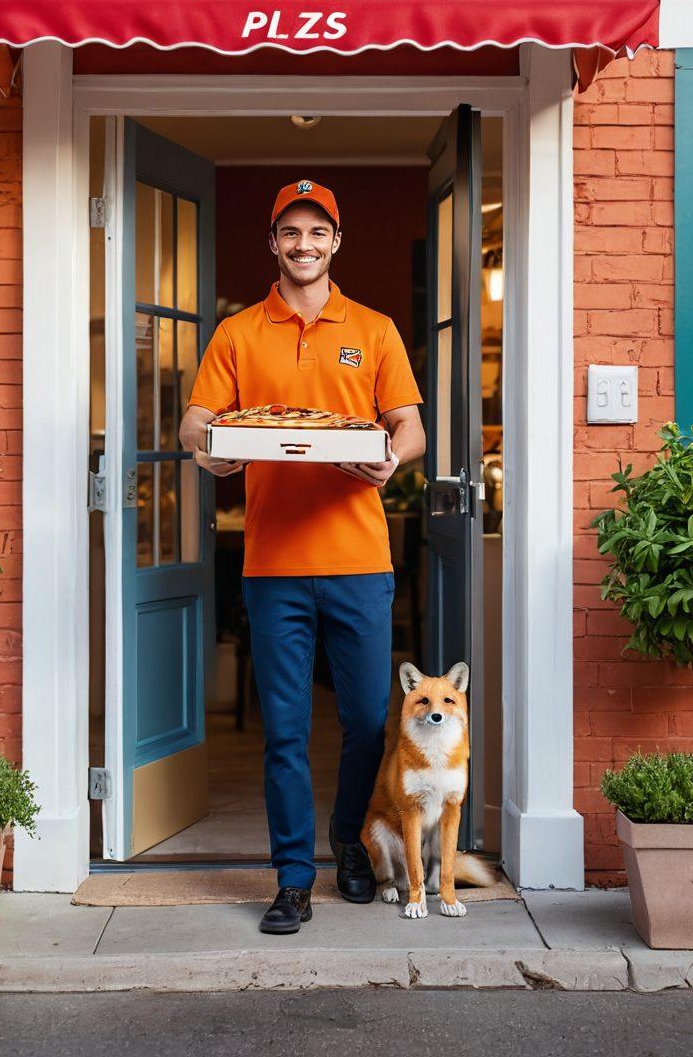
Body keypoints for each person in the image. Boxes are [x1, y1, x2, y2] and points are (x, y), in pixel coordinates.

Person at [179, 180, 425, 935]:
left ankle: (348, 841)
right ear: (274, 243)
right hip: (273, 565)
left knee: (367, 720)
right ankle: (292, 878)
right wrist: (209, 452)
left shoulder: (375, 329)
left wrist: (392, 459)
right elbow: (196, 420)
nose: (304, 244)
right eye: (291, 232)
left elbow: (409, 427)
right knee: (284, 731)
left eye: (318, 232)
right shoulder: (238, 333)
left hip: (360, 559)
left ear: (335, 242)